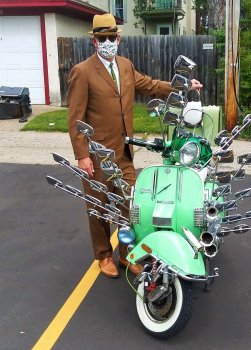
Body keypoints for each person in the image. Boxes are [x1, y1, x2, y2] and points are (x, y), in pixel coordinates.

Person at [67, 14, 202, 279]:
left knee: (132, 205)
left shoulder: (126, 66)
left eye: (111, 38)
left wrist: (183, 86)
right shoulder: (82, 71)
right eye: (101, 38)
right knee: (100, 206)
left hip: (124, 152)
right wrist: (82, 155)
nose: (107, 42)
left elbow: (150, 85)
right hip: (96, 156)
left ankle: (127, 255)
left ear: (118, 39)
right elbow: (75, 118)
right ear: (94, 42)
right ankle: (104, 255)